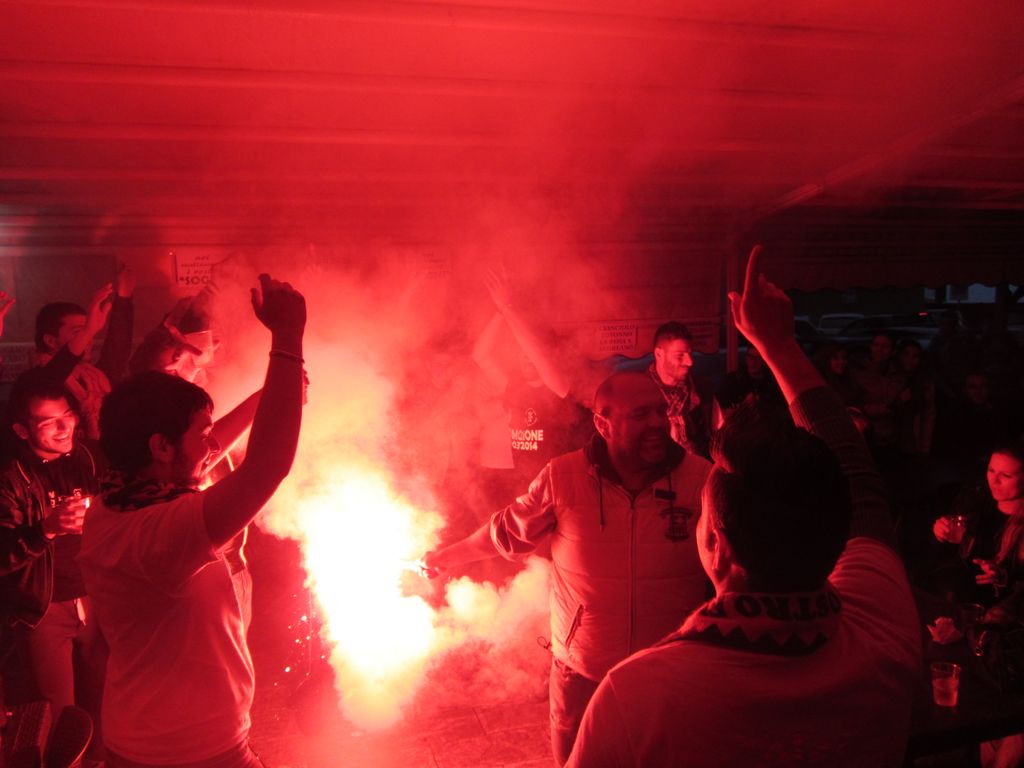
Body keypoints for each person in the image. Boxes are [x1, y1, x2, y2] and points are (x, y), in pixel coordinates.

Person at [566, 246, 921, 768]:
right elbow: (858, 481)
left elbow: (854, 480)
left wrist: (776, 345)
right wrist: (781, 346)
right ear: (832, 531)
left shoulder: (638, 696)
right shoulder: (885, 631)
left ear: (717, 545)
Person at [422, 370, 712, 766]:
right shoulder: (563, 478)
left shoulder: (700, 479)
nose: (657, 423)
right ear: (602, 424)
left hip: (668, 679)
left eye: (660, 411)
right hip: (581, 676)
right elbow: (502, 533)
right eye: (640, 414)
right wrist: (442, 558)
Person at [78, 274, 305, 768]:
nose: (211, 445)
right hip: (191, 754)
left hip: (144, 740)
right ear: (161, 447)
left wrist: (270, 395)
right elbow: (267, 466)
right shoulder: (158, 533)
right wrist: (288, 342)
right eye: (201, 433)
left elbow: (203, 455)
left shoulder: (119, 499)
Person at [0, 370, 107, 759]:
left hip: (96, 596)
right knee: (60, 719)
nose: (64, 428)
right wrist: (46, 529)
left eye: (67, 416)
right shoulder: (11, 478)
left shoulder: (87, 458)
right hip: (44, 607)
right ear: (22, 430)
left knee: (108, 699)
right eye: (49, 422)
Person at [471, 266, 581, 498]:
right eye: (522, 355)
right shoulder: (514, 387)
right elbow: (480, 355)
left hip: (555, 492)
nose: (527, 359)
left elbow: (537, 354)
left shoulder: (557, 388)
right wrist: (499, 312)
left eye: (530, 354)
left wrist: (507, 307)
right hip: (522, 490)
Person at [648, 321, 710, 458]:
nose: (690, 362)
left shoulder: (701, 388)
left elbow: (714, 435)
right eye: (680, 355)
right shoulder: (639, 392)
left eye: (690, 354)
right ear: (659, 354)